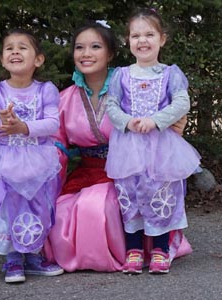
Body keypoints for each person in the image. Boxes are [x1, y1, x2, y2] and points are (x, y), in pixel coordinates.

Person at [43, 21, 192, 272]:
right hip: (86, 174)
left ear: (110, 52)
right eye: (79, 47)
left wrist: (173, 125)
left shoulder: (128, 85)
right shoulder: (64, 98)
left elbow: (172, 116)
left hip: (130, 168)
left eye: (95, 46)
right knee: (62, 209)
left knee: (101, 205)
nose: (86, 53)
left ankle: (146, 250)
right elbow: (54, 145)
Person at [105, 8, 201, 274]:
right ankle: (133, 249)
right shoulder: (121, 75)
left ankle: (160, 249)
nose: (142, 40)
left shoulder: (170, 73)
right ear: (128, 41)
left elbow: (182, 102)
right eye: (136, 35)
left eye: (149, 34)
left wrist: (157, 120)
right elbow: (111, 106)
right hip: (129, 146)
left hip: (161, 146)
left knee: (161, 192)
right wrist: (126, 121)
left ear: (162, 39)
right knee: (131, 194)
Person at [0, 28, 64, 283]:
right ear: (2, 59)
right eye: (9, 48)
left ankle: (32, 256)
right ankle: (12, 259)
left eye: (22, 47)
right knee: (8, 208)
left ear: (38, 59)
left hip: (37, 159)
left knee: (36, 207)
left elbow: (53, 124)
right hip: (4, 159)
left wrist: (24, 127)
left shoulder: (46, 90)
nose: (15, 51)